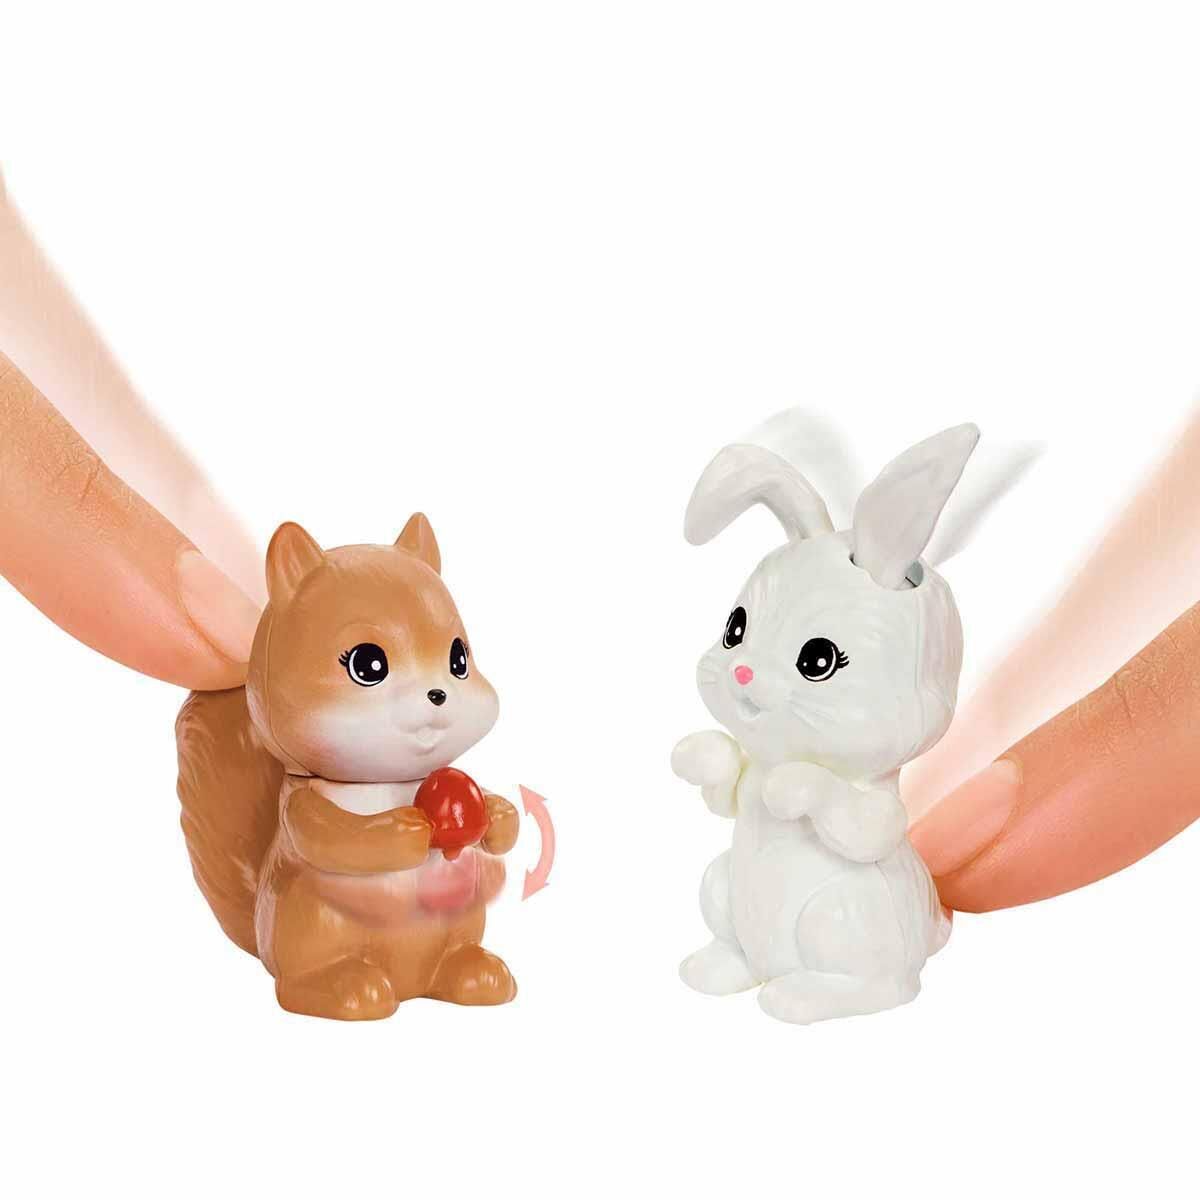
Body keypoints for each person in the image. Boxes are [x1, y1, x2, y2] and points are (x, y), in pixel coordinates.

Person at [3, 175, 1198, 915]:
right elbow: (324, 838)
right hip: (333, 925)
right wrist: (436, 828)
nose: (743, 669)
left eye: (452, 665)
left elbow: (860, 826)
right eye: (742, 632)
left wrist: (481, 830)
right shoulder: (320, 803)